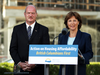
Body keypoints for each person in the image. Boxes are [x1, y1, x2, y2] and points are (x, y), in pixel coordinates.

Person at [9, 5, 50, 75]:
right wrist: (19, 63)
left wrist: (35, 64)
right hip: (20, 71)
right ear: (25, 14)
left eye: (33, 13)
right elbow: (13, 49)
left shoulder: (44, 30)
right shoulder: (17, 29)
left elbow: (46, 50)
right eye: (28, 13)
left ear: (36, 14)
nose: (30, 15)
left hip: (38, 71)